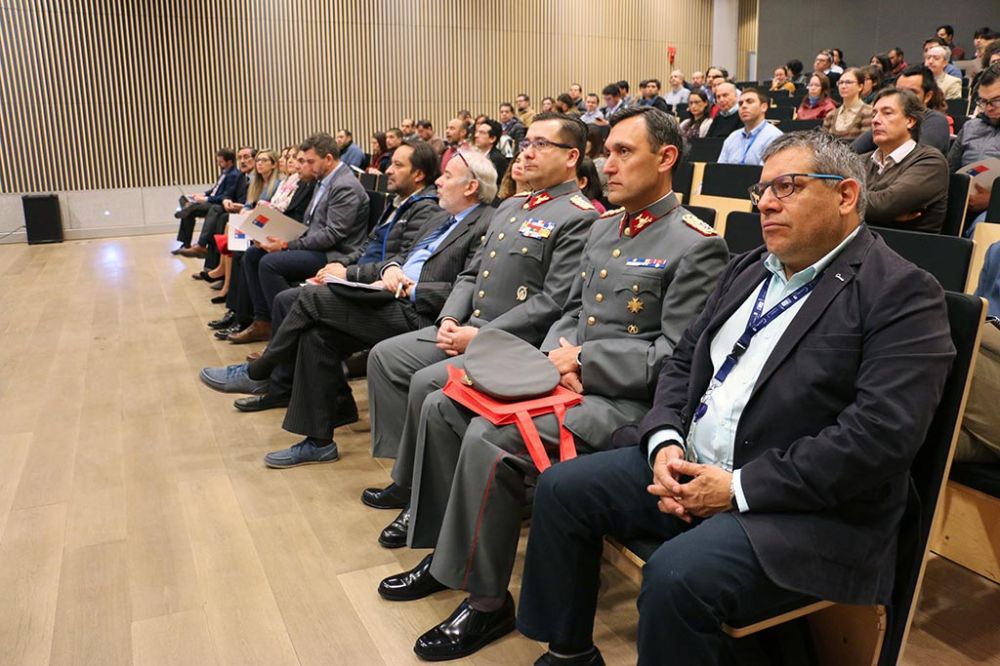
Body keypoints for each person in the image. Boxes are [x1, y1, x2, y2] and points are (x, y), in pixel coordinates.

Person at [517, 130, 955, 666]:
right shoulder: (749, 268)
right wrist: (664, 443)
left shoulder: (902, 292)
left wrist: (737, 489)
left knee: (678, 576)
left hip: (802, 509)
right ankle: (569, 654)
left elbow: (881, 438)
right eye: (762, 189)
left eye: (788, 187)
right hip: (694, 467)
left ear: (845, 196)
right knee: (562, 488)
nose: (766, 202)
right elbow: (682, 363)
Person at [376, 107, 730, 661]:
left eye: (622, 153)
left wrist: (583, 361)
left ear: (665, 159)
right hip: (563, 376)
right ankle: (449, 554)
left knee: (491, 439)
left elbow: (676, 359)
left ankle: (488, 603)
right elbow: (570, 309)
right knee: (447, 403)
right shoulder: (606, 225)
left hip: (620, 401)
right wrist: (548, 361)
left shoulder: (696, 244)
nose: (606, 164)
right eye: (605, 152)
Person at [360, 112, 597, 504]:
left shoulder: (578, 217)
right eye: (526, 144)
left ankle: (422, 493)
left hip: (514, 344)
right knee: (386, 357)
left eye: (542, 145)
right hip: (468, 326)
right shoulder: (511, 207)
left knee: (427, 384)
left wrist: (480, 336)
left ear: (571, 157)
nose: (529, 153)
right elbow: (471, 274)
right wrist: (451, 318)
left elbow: (552, 302)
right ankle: (411, 472)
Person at [202, 151, 497, 465]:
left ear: (470, 187)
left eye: (447, 176)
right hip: (388, 294)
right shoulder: (442, 220)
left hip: (422, 312)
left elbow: (471, 287)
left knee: (308, 299)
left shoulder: (485, 224)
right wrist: (377, 271)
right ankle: (319, 440)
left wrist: (413, 289)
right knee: (317, 334)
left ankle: (259, 371)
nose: (439, 181)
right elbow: (401, 258)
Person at [232, 133, 369, 344]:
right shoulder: (322, 181)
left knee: (270, 264)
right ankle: (264, 322)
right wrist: (276, 238)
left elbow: (332, 234)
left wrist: (286, 245)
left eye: (310, 161)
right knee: (253, 254)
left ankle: (291, 331)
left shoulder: (345, 185)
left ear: (329, 159)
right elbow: (311, 225)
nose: (305, 166)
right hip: (317, 247)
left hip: (334, 254)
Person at [864, 88, 949, 233]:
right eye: (874, 114)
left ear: (910, 121)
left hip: (905, 249)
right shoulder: (861, 160)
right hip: (862, 246)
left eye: (887, 113)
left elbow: (884, 206)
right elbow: (825, 199)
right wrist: (883, 213)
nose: (875, 120)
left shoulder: (930, 162)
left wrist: (881, 210)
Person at [854, 65, 951, 155]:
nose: (903, 97)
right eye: (898, 91)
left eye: (912, 92)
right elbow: (852, 151)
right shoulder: (884, 121)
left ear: (928, 96)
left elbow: (918, 158)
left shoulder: (936, 121)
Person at [949, 63, 1000, 228]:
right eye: (983, 101)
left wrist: (992, 200)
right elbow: (949, 170)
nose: (988, 108)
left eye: (996, 101)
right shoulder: (971, 127)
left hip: (993, 211)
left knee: (982, 224)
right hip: (962, 201)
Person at [173, 147, 245, 254]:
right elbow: (215, 189)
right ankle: (185, 243)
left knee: (190, 208)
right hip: (212, 199)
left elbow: (225, 196)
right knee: (185, 201)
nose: (218, 163)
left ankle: (186, 210)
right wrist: (202, 194)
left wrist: (206, 199)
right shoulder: (224, 172)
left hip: (216, 203)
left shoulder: (234, 174)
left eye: (220, 161)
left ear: (229, 161)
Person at [718, 89, 783, 166]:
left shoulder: (774, 137)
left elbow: (768, 173)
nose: (744, 106)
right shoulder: (732, 137)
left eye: (749, 101)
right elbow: (719, 169)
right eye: (740, 104)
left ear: (764, 107)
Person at [823, 67, 874, 140]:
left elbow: (865, 144)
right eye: (840, 83)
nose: (843, 86)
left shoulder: (869, 112)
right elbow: (823, 143)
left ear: (860, 86)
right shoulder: (830, 116)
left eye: (848, 82)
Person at [473, 118, 508, 188]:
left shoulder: (498, 160)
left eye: (482, 133)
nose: (476, 135)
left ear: (492, 139)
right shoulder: (473, 155)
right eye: (477, 132)